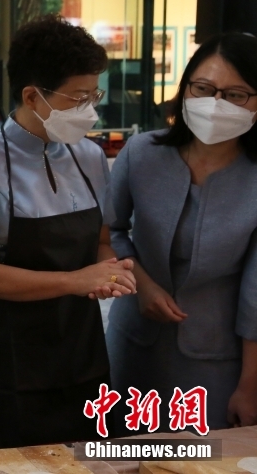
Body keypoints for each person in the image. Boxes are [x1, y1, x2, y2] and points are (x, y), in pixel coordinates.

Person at [0, 15, 137, 450]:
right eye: (79, 98)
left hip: (82, 354)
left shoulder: (90, 157)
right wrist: (76, 281)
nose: (90, 109)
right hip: (7, 363)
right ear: (33, 96)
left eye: (95, 96)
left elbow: (100, 240)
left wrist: (110, 271)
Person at [107, 32, 257, 432]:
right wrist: (142, 283)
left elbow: (256, 292)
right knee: (122, 456)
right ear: (185, 87)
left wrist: (250, 385)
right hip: (133, 343)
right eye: (203, 88)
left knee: (200, 461)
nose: (216, 104)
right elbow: (108, 232)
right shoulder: (141, 152)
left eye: (236, 95)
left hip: (217, 357)